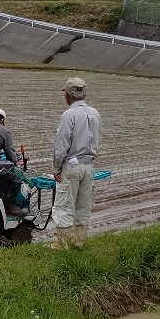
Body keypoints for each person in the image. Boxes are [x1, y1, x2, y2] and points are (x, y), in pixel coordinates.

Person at [51, 77, 102, 248]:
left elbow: (61, 144)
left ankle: (62, 243)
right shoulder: (95, 113)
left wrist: (56, 167)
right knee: (83, 205)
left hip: (71, 166)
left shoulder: (69, 115)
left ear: (68, 95)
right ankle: (79, 241)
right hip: (88, 166)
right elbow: (98, 139)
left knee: (64, 204)